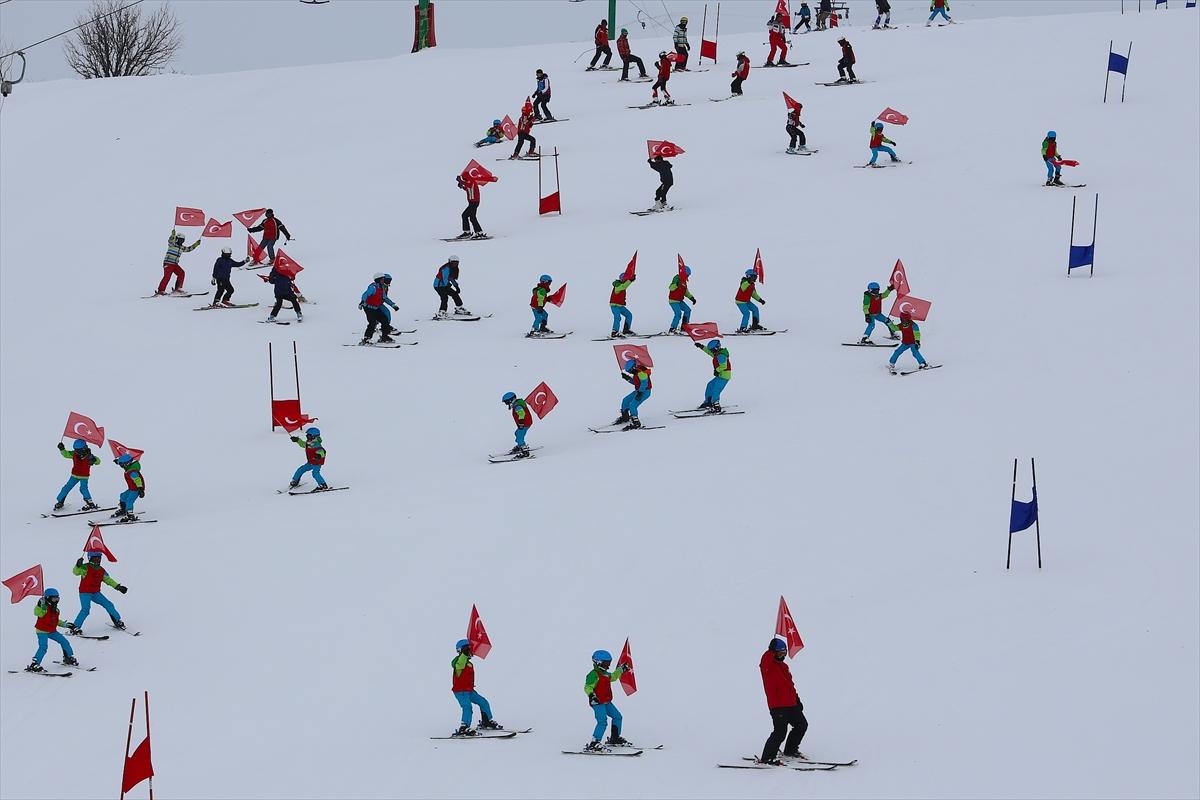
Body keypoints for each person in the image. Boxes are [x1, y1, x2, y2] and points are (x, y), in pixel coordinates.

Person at [759, 638, 808, 765]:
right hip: (778, 706)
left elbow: (790, 685)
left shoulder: (784, 666)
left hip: (791, 704)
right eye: (780, 653)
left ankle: (790, 751)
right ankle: (767, 758)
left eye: (784, 653)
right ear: (773, 653)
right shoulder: (767, 666)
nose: (782, 656)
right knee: (780, 732)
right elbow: (765, 660)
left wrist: (797, 700)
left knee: (802, 725)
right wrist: (770, 650)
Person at [583, 649, 633, 751]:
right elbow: (587, 687)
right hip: (597, 702)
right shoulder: (593, 674)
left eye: (609, 663)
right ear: (598, 663)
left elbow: (613, 677)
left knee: (617, 717)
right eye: (606, 663)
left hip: (606, 701)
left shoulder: (605, 674)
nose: (608, 666)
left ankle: (614, 738)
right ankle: (594, 743)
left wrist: (621, 669)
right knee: (602, 722)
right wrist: (592, 696)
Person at [451, 640, 503, 735]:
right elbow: (459, 664)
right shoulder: (458, 662)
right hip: (461, 691)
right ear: (463, 650)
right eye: (470, 649)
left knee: (483, 702)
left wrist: (466, 653)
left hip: (469, 691)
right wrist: (464, 654)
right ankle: (464, 727)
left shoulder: (469, 663)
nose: (472, 651)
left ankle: (486, 721)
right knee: (467, 707)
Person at [70, 552, 127, 634]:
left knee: (109, 604)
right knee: (85, 610)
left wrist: (118, 587)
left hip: (96, 593)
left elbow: (108, 580)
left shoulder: (101, 570)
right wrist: (78, 565)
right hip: (85, 593)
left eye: (99, 557)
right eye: (96, 557)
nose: (98, 559)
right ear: (90, 558)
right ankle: (75, 627)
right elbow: (76, 572)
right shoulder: (85, 567)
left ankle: (117, 620)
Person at [26, 589, 78, 672]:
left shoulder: (56, 610)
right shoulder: (43, 608)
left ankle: (68, 657)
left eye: (57, 599)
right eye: (54, 599)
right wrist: (40, 605)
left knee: (64, 642)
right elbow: (37, 613)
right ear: (48, 598)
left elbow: (56, 621)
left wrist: (66, 625)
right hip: (42, 631)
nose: (56, 601)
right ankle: (35, 664)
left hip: (52, 631)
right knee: (43, 647)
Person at [54, 439, 101, 511]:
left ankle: (90, 502)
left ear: (84, 448)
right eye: (75, 450)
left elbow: (98, 461)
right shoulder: (74, 454)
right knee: (66, 488)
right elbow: (66, 454)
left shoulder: (89, 456)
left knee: (83, 488)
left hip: (84, 476)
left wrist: (94, 460)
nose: (77, 452)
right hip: (74, 475)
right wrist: (62, 449)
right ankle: (60, 501)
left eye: (78, 450)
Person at [156, 229, 200, 295]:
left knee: (181, 273)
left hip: (175, 264)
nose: (181, 241)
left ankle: (178, 288)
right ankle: (161, 290)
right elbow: (170, 240)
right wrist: (173, 235)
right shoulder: (172, 244)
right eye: (180, 239)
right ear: (177, 239)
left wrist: (196, 244)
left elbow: (189, 249)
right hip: (168, 263)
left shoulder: (181, 247)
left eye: (183, 240)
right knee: (167, 276)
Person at [694, 338, 732, 411]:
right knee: (710, 385)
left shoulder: (721, 355)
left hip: (724, 376)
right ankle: (708, 402)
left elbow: (724, 366)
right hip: (720, 375)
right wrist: (701, 346)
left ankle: (716, 405)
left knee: (716, 389)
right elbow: (708, 352)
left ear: (716, 348)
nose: (711, 351)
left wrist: (717, 370)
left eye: (712, 350)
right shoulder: (716, 353)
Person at [360, 272, 398, 343]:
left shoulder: (381, 288)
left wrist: (393, 305)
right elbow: (365, 294)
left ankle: (384, 337)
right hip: (369, 308)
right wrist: (362, 302)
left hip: (376, 308)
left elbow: (385, 298)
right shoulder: (373, 287)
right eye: (383, 279)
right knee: (372, 323)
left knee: (385, 320)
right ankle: (366, 339)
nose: (384, 280)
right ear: (379, 280)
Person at [614, 358, 651, 429]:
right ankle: (625, 417)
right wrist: (627, 378)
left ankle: (636, 422)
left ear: (634, 367)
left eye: (630, 371)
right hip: (639, 390)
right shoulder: (636, 372)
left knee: (632, 405)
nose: (630, 372)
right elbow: (636, 383)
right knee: (625, 400)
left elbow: (644, 383)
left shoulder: (641, 372)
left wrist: (640, 393)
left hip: (645, 391)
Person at [110, 452, 144, 521]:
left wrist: (140, 489)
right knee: (123, 496)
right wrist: (118, 461)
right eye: (120, 464)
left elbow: (138, 480)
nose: (121, 466)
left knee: (129, 501)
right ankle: (123, 509)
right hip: (131, 488)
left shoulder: (132, 472)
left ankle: (130, 515)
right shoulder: (128, 468)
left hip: (136, 489)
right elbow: (125, 466)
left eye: (122, 465)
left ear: (127, 463)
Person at [455, 173, 485, 239]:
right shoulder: (469, 182)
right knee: (465, 215)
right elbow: (468, 188)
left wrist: (460, 181)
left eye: (464, 178)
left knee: (472, 217)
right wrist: (462, 187)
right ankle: (467, 232)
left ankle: (479, 233)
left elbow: (469, 185)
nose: (464, 179)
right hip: (472, 203)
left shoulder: (472, 181)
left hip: (474, 202)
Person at [667, 266, 696, 333]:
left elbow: (686, 292)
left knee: (688, 310)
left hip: (679, 301)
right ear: (684, 273)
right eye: (687, 275)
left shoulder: (684, 281)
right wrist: (676, 284)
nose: (688, 276)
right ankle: (672, 328)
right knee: (678, 313)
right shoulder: (677, 278)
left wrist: (692, 298)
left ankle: (684, 327)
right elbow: (671, 288)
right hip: (673, 301)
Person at [609, 273, 636, 338]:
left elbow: (625, 285)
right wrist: (630, 280)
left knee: (629, 315)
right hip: (614, 305)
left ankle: (626, 330)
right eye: (625, 279)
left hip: (620, 306)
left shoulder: (623, 285)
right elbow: (624, 286)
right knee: (617, 317)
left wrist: (631, 279)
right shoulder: (617, 286)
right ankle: (614, 332)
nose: (626, 280)